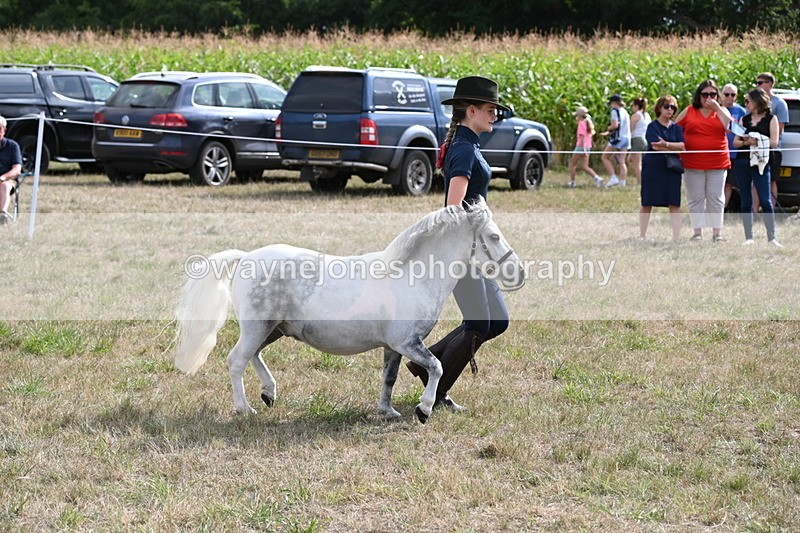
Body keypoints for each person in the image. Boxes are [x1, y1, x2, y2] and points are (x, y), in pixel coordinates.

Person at [406, 76, 510, 412]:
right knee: (480, 323)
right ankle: (434, 392)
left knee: (497, 321)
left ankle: (426, 362)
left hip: (475, 248)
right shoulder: (465, 149)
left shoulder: (470, 145)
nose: (494, 114)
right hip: (462, 251)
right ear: (471, 110)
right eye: (489, 109)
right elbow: (453, 209)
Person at [675, 80, 732, 242]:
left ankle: (717, 233)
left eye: (712, 94)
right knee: (696, 198)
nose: (708, 97)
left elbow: (729, 127)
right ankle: (697, 232)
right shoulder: (689, 111)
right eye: (705, 94)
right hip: (692, 163)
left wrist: (717, 108)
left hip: (717, 162)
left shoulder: (722, 111)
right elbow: (675, 129)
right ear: (699, 95)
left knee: (715, 197)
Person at [732, 88, 782, 247]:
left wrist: (758, 140)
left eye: (748, 101)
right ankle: (749, 237)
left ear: (757, 101)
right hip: (742, 162)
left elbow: (774, 142)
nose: (746, 104)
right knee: (745, 200)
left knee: (765, 200)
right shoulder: (744, 119)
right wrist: (747, 142)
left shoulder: (771, 119)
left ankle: (771, 237)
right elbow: (736, 142)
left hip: (761, 163)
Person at [639, 95, 685, 242]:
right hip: (653, 168)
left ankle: (676, 237)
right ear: (659, 108)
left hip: (672, 169)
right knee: (647, 202)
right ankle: (642, 235)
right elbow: (654, 146)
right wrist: (672, 146)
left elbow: (682, 147)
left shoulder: (677, 128)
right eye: (666, 106)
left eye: (672, 107)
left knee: (674, 203)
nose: (669, 110)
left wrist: (665, 144)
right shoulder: (652, 126)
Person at [753, 72, 789, 211]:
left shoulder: (779, 103)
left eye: (760, 82)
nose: (758, 86)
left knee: (772, 180)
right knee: (755, 181)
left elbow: (780, 129)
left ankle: (770, 211)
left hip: (773, 150)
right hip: (755, 149)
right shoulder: (755, 102)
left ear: (769, 84)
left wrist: (764, 139)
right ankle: (754, 211)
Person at [721, 84, 747, 208]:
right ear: (721, 94)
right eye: (727, 94)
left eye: (733, 95)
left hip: (735, 153)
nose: (729, 97)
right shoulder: (717, 110)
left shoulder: (741, 111)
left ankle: (724, 208)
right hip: (718, 152)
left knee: (729, 183)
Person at [567, 105, 602, 188]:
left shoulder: (581, 124)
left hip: (580, 147)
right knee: (584, 166)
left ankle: (572, 182)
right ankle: (597, 178)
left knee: (572, 164)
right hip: (587, 146)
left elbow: (582, 137)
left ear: (579, 115)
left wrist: (582, 149)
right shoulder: (588, 123)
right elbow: (590, 136)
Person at [600, 94, 631, 187]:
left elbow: (615, 126)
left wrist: (608, 128)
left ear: (614, 103)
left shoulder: (615, 111)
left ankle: (613, 178)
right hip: (627, 138)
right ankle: (622, 182)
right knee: (622, 161)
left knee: (605, 157)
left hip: (618, 139)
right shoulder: (625, 111)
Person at [0, 115, 22, 224]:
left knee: (4, 186)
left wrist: (3, 177)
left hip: (8, 180)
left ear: (4, 130)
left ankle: (2, 216)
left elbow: (17, 169)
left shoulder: (13, 146)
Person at [628, 97, 651, 185]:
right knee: (629, 160)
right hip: (644, 139)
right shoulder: (646, 115)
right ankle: (641, 176)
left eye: (632, 105)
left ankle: (641, 181)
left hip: (637, 139)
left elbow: (630, 128)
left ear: (636, 106)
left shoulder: (636, 115)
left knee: (637, 163)